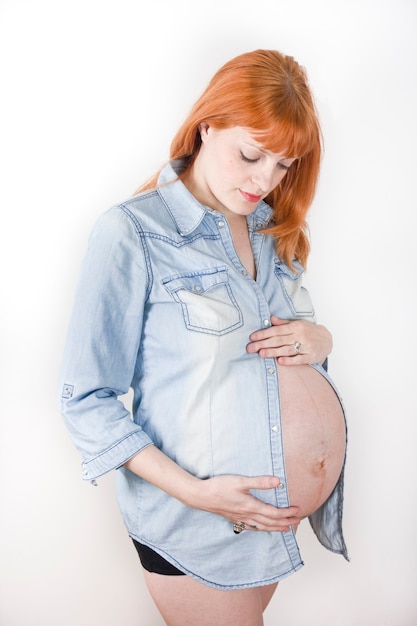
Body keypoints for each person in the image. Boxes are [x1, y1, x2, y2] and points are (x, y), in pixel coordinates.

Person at [59, 49, 348, 626]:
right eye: (251, 154)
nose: (265, 179)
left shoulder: (272, 231)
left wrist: (321, 340)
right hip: (200, 527)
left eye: (284, 164)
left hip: (270, 527)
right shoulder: (132, 233)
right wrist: (198, 494)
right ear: (207, 125)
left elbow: (281, 358)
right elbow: (86, 401)